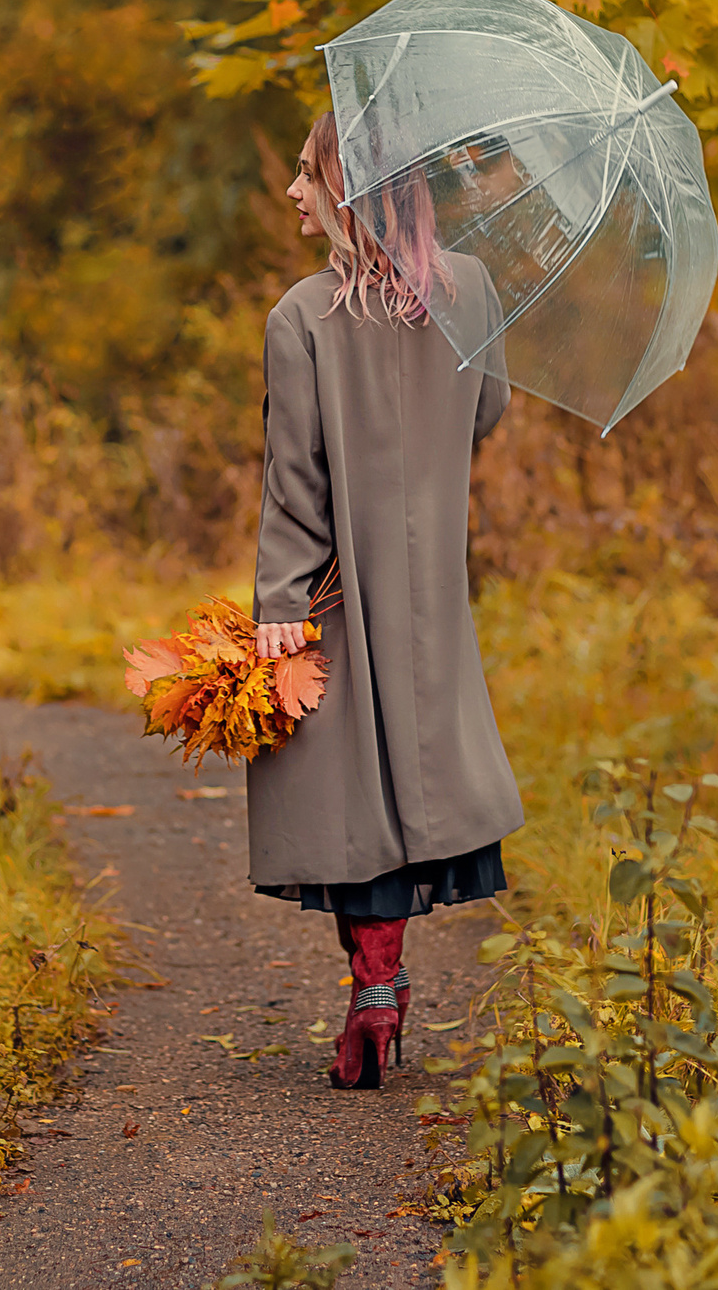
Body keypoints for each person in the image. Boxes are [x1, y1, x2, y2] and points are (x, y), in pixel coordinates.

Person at [249, 109, 525, 1091]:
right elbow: (488, 409)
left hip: (335, 584)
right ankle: (379, 989)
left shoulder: (304, 315)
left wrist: (277, 598)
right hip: (432, 588)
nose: (292, 190)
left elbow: (296, 478)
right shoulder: (472, 291)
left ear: (353, 189)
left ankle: (372, 995)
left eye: (307, 170)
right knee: (409, 781)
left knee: (345, 797)